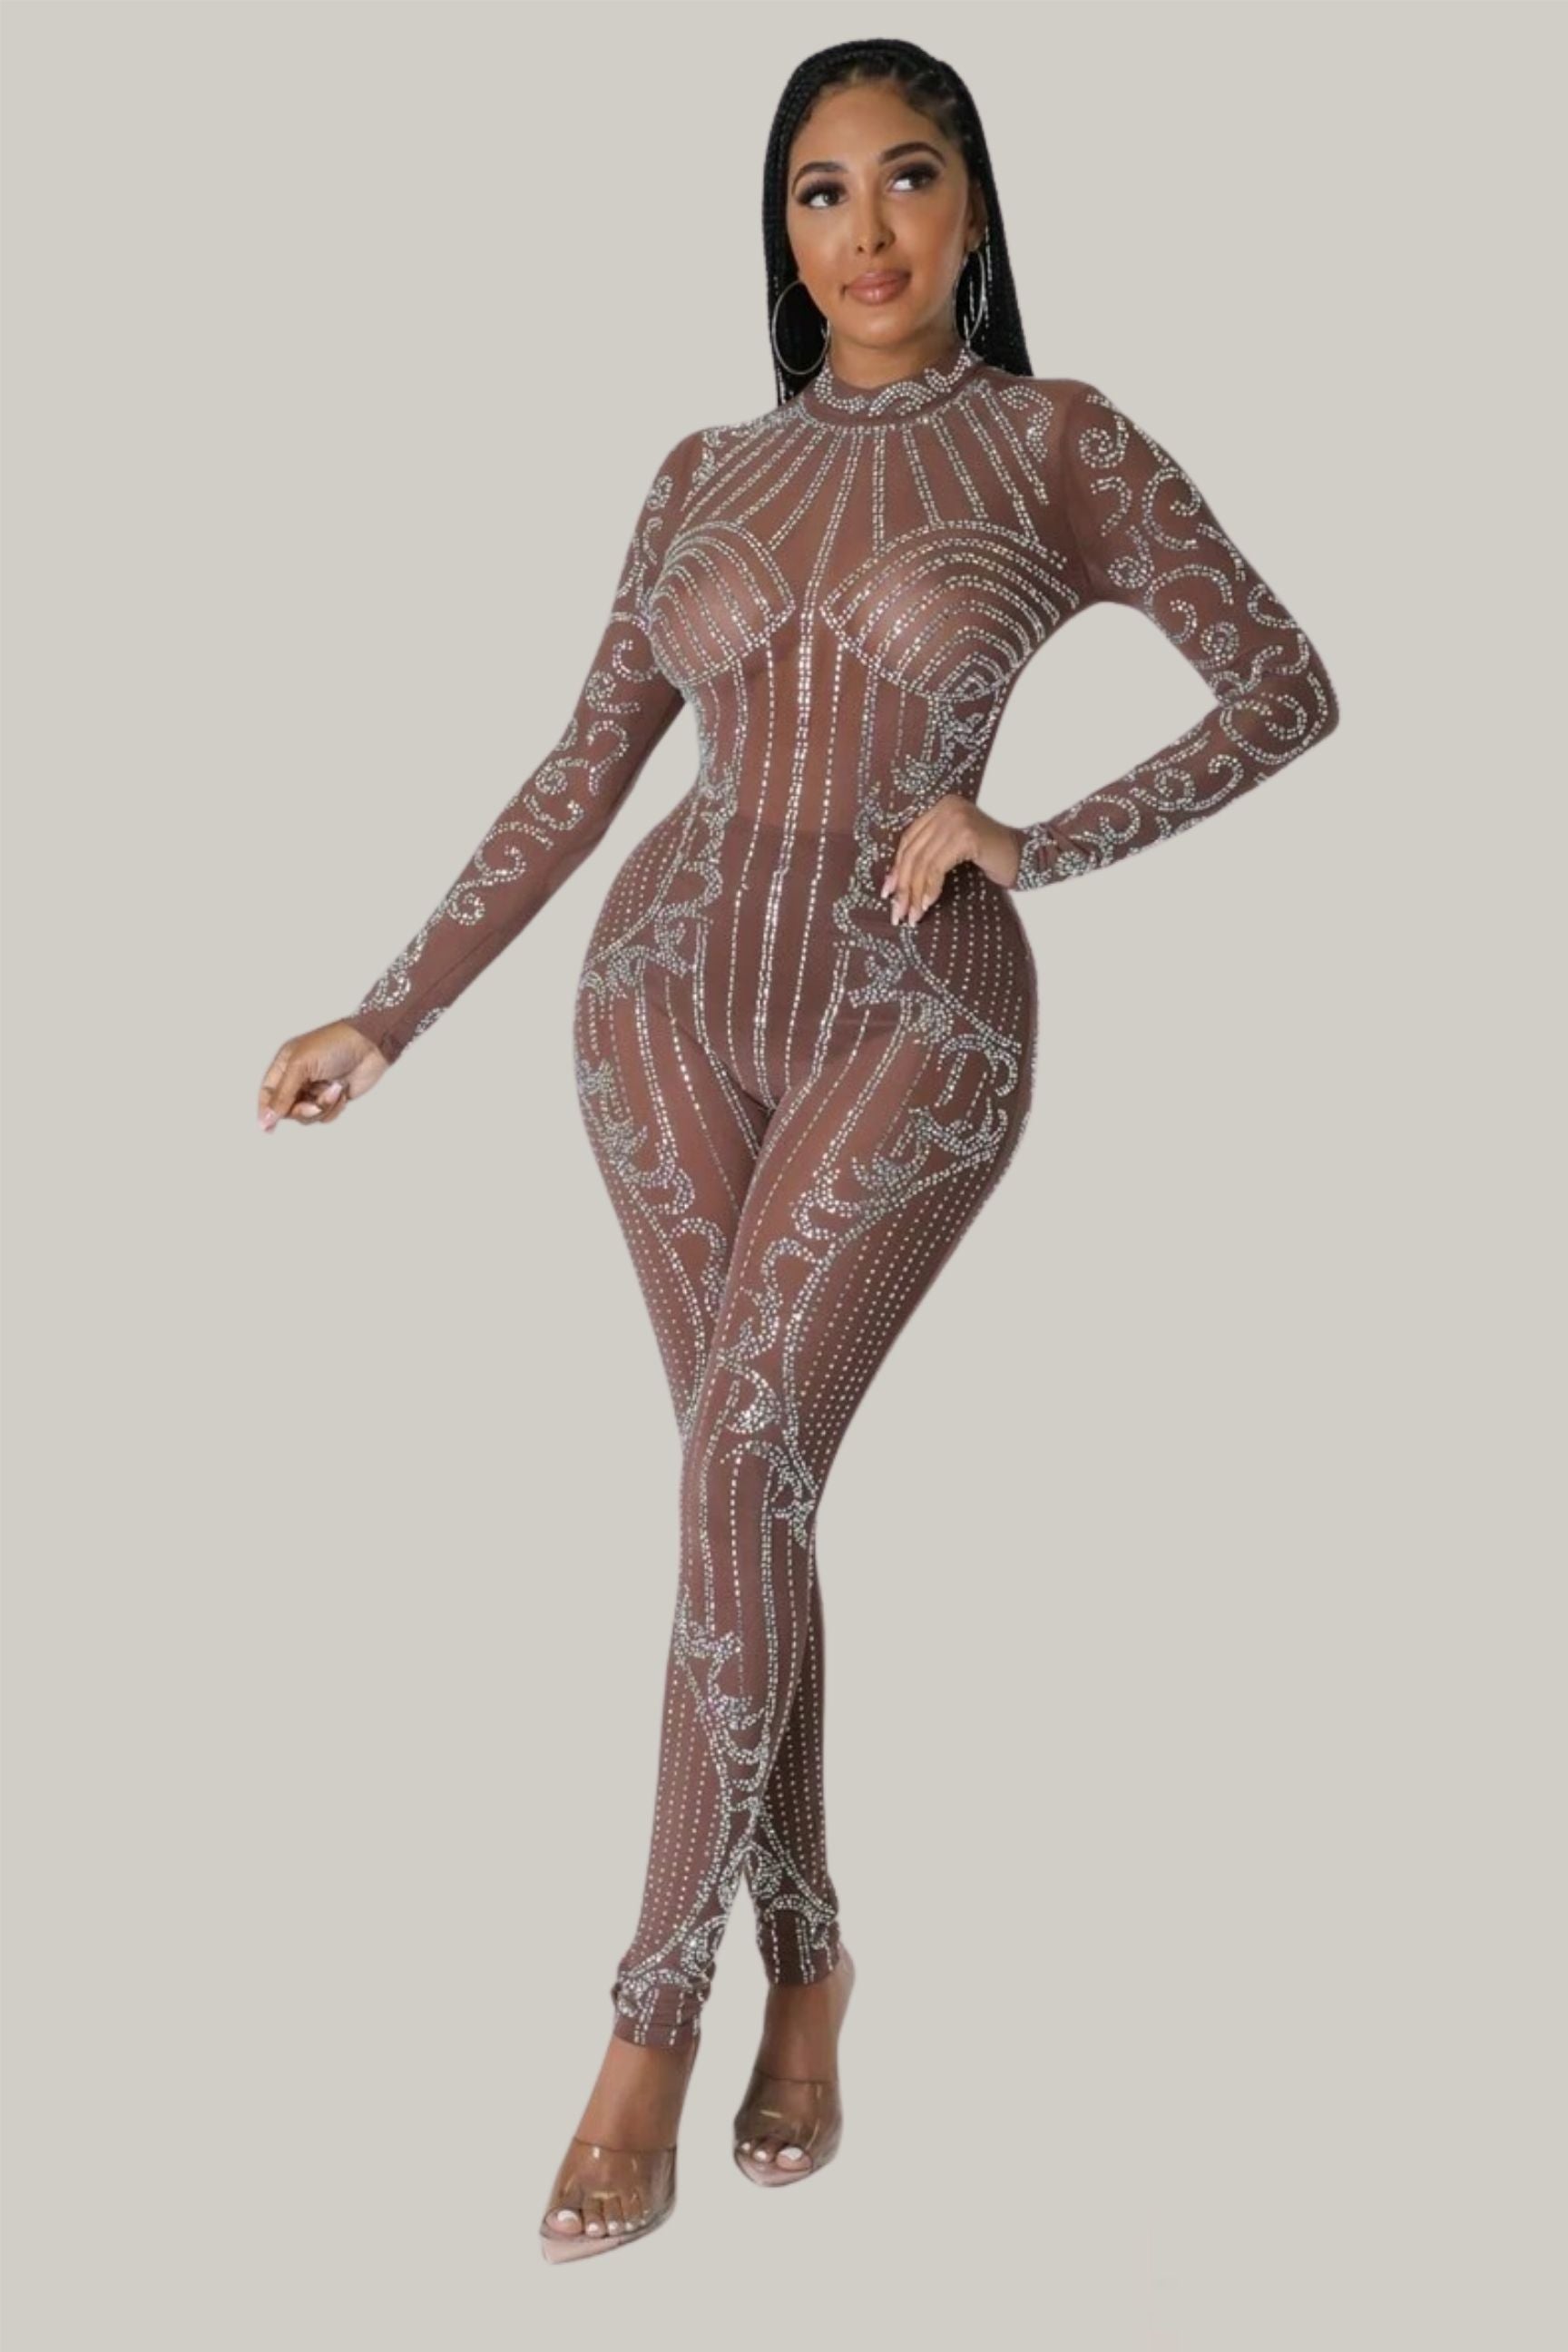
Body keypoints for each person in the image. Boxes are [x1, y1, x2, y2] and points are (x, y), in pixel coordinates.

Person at [257, 38, 1340, 2263]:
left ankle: (648, 2021)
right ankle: (816, 1957)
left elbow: (1285, 688)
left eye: (908, 179)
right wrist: (390, 1005)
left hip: (914, 1015)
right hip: (657, 1004)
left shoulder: (1059, 442)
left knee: (740, 1467)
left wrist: (1038, 837)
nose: (865, 231)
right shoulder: (702, 471)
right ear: (781, 228)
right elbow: (585, 762)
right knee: (740, 1491)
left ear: (976, 207)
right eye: (821, 191)